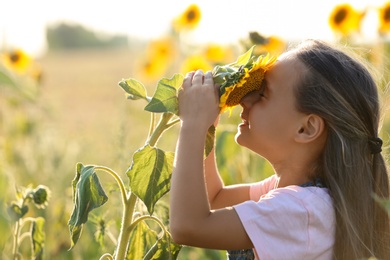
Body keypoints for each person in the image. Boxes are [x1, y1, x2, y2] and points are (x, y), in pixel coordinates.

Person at [169, 39, 390, 259]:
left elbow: (188, 227)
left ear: (306, 128)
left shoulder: (302, 211)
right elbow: (214, 200)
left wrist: (192, 125)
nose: (246, 100)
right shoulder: (296, 197)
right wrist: (206, 128)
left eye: (263, 93)